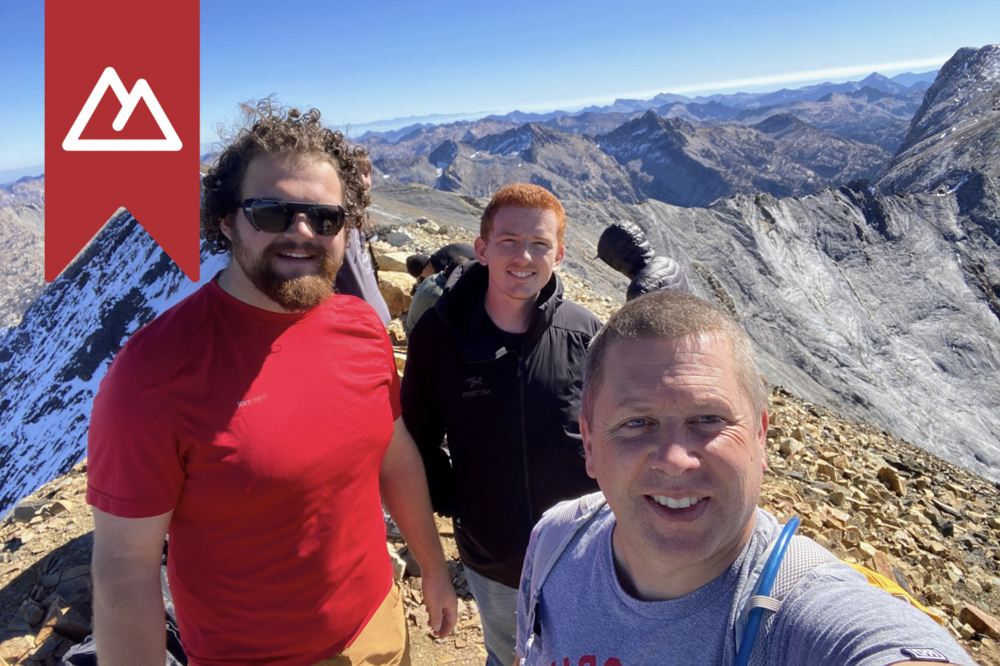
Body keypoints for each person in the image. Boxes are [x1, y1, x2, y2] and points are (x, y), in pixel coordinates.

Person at [87, 100, 456, 666]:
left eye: (325, 218)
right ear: (227, 220)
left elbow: (394, 450)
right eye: (273, 213)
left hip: (379, 626)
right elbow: (124, 567)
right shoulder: (154, 372)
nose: (302, 233)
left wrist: (431, 566)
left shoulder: (360, 325)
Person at [515, 289, 974, 666]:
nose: (676, 459)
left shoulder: (798, 613)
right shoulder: (555, 540)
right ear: (590, 444)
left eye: (709, 418)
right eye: (636, 422)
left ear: (760, 436)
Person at [399, 184, 602, 666]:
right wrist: (461, 502)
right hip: (495, 560)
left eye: (540, 244)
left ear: (560, 254)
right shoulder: (440, 335)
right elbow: (415, 439)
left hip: (585, 557)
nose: (523, 256)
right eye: (508, 241)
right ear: (483, 249)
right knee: (510, 656)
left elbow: (613, 433)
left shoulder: (585, 332)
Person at [335, 149, 391, 324]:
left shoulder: (355, 221)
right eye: (354, 175)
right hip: (357, 327)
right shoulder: (334, 226)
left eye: (366, 174)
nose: (364, 182)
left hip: (372, 323)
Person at [404, 255, 469, 337]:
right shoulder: (438, 294)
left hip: (418, 331)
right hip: (417, 340)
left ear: (446, 268)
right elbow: (454, 325)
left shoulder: (434, 277)